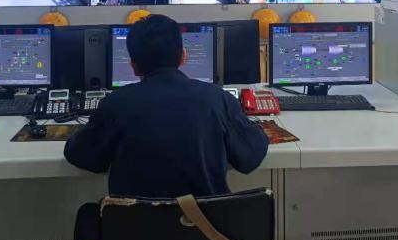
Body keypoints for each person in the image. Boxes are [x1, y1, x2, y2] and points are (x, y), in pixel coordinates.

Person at [64, 14, 269, 198]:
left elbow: (81, 155)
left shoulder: (115, 104)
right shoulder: (217, 99)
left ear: (134, 66)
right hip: (203, 226)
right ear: (183, 56)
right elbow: (250, 156)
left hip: (133, 226)